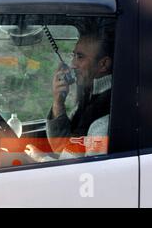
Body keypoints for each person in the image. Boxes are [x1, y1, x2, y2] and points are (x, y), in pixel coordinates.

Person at [25, 28, 114, 162]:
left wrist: (42, 159)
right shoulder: (89, 98)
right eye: (74, 56)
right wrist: (58, 102)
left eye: (80, 57)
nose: (72, 65)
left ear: (103, 64)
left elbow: (88, 173)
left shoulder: (104, 118)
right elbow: (62, 147)